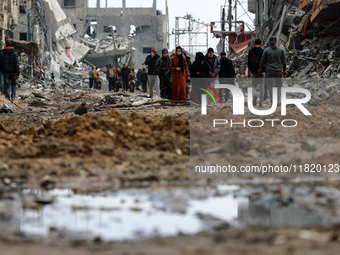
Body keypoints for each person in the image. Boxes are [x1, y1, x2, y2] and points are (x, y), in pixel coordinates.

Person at [259, 37, 287, 105]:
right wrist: (284, 70)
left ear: (269, 42)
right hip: (278, 71)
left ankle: (272, 101)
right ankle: (277, 99)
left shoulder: (266, 50)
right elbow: (284, 61)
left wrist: (260, 67)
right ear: (276, 41)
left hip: (269, 71)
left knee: (271, 87)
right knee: (279, 86)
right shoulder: (280, 50)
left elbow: (263, 60)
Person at [248, 39, 265, 107]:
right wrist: (261, 68)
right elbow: (264, 61)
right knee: (262, 87)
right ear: (261, 44)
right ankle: (260, 103)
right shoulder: (262, 51)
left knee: (254, 86)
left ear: (254, 43)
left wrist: (249, 72)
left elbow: (249, 62)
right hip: (261, 71)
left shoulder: (250, 51)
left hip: (253, 71)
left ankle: (254, 95)